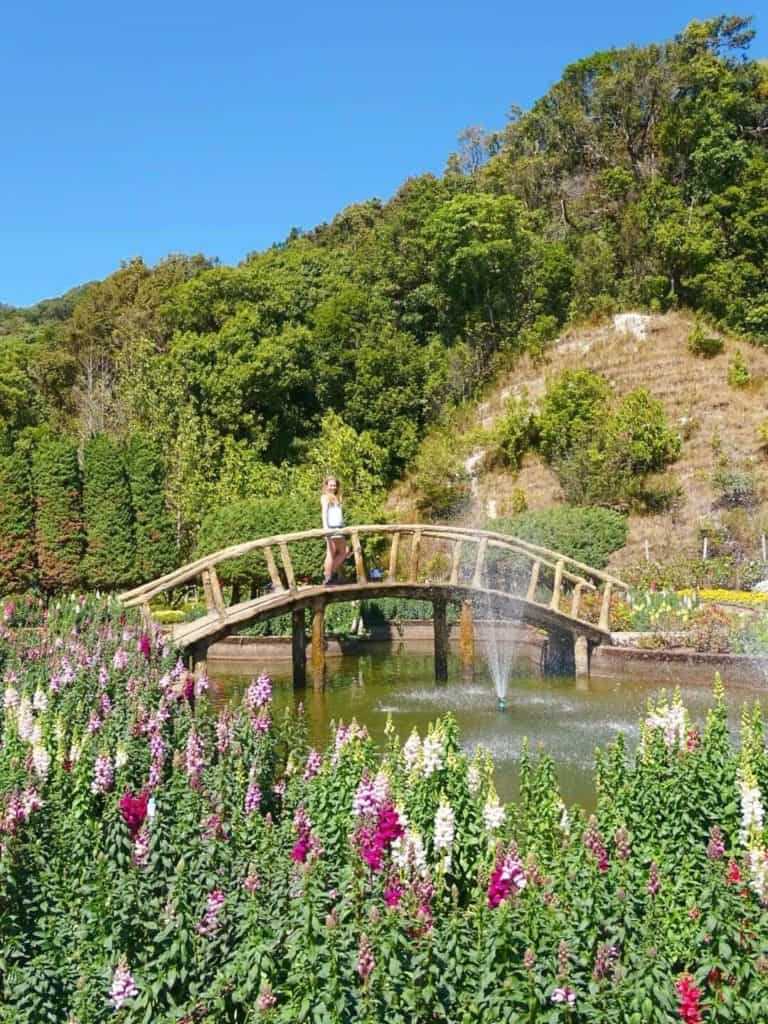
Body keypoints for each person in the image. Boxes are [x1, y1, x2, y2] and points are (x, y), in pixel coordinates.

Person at [321, 476, 349, 585]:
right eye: (331, 485)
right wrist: (325, 530)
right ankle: (328, 576)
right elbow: (324, 513)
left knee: (342, 552)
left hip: (339, 528)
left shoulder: (338, 497)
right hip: (331, 529)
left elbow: (339, 514)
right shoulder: (325, 497)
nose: (333, 487)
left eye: (335, 485)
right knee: (334, 553)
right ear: (326, 486)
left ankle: (328, 575)